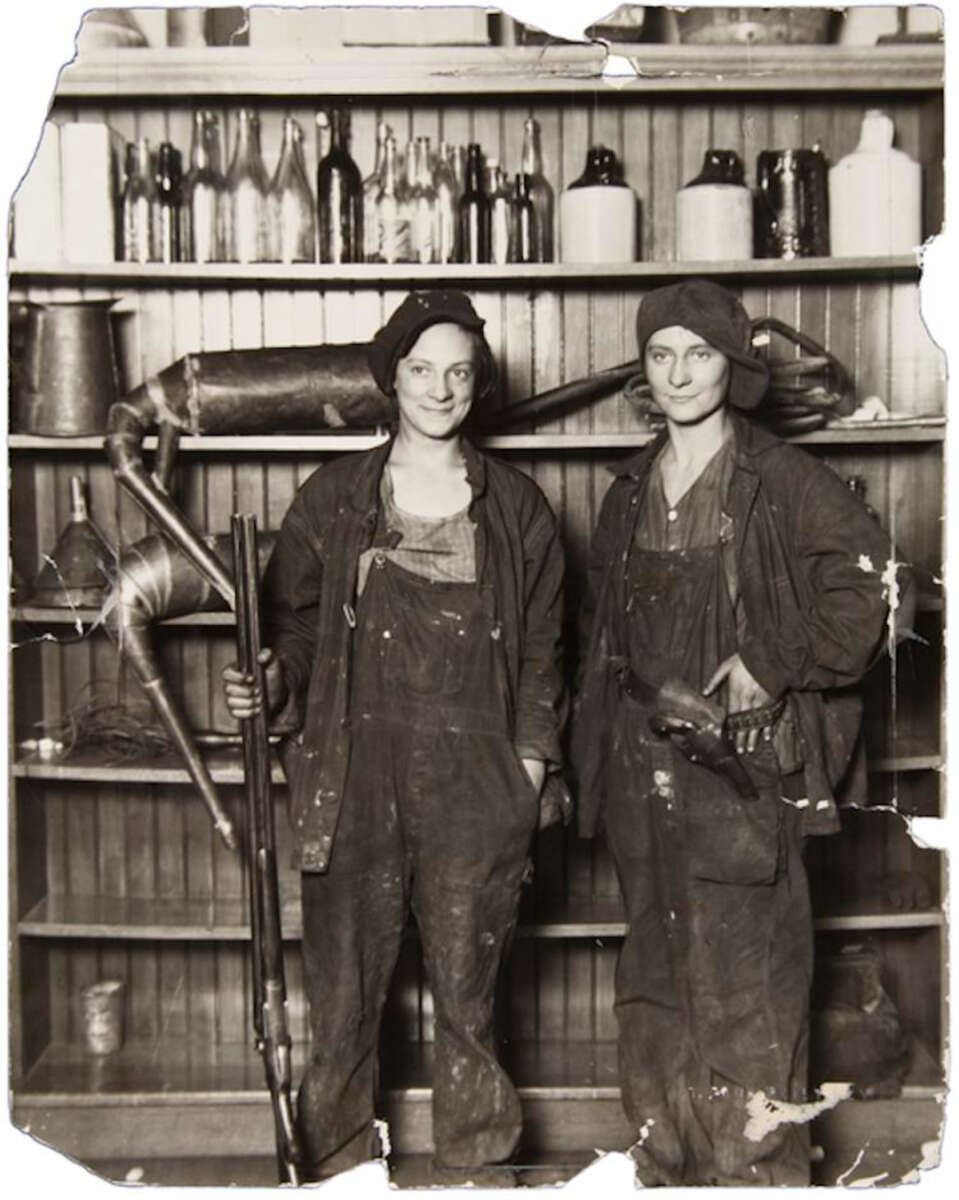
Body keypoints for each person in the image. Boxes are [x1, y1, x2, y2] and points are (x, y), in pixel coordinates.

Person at [223, 289, 567, 1186]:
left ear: (478, 384)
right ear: (391, 380)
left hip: (476, 783)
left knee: (469, 1002)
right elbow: (292, 631)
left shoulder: (519, 510)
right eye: (421, 370)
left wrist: (526, 772)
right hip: (351, 771)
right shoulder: (334, 498)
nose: (439, 389)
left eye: (458, 371)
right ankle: (340, 1171)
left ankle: (480, 1169)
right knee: (343, 1001)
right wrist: (272, 679)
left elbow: (542, 659)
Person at [574, 279, 903, 1186]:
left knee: (747, 999)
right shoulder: (627, 490)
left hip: (743, 773)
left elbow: (879, 590)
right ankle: (667, 1171)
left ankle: (757, 1182)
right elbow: (602, 648)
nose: (679, 373)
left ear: (733, 365)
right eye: (661, 354)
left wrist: (770, 659)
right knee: (654, 992)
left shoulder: (782, 481)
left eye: (700, 353)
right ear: (643, 372)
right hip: (645, 776)